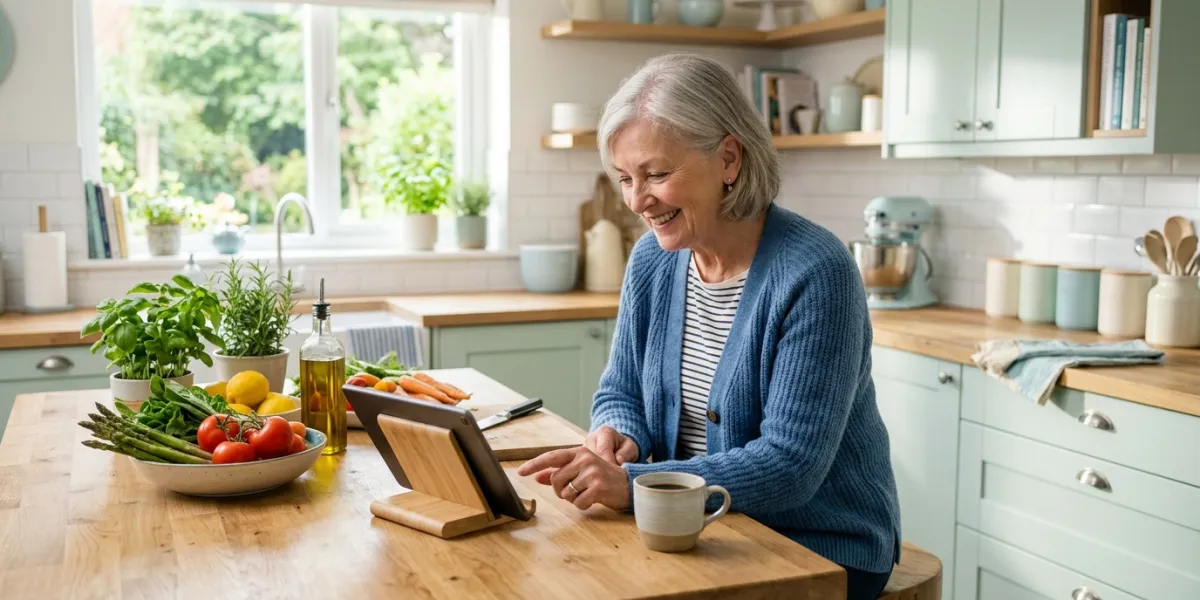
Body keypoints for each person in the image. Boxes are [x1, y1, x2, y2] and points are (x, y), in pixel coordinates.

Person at [516, 52, 901, 600]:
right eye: (625, 178)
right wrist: (618, 433)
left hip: (818, 545)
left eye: (657, 174)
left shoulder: (816, 272)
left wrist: (631, 485)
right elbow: (620, 387)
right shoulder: (652, 258)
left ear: (728, 159)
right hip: (690, 527)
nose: (637, 201)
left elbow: (792, 465)